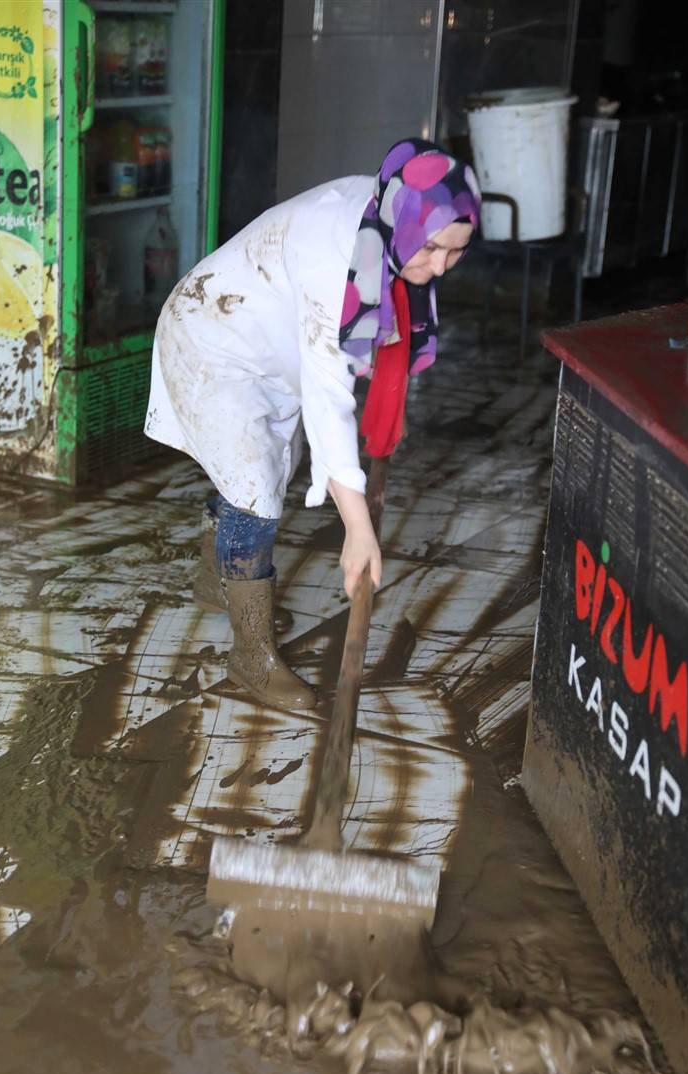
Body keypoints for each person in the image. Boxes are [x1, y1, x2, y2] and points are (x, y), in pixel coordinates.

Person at [144, 138, 481, 711]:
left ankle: (213, 581)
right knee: (253, 487)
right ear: (408, 222)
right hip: (212, 334)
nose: (440, 267)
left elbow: (373, 358)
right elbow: (330, 399)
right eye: (433, 249)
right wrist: (357, 529)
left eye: (456, 252)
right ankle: (252, 657)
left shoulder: (389, 226)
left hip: (267, 347)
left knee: (268, 466)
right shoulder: (338, 260)